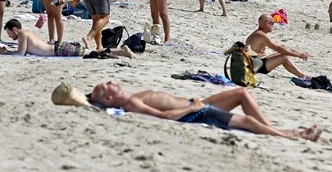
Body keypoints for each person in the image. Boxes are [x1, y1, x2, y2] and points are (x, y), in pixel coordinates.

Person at [89, 82, 322, 141]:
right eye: (106, 85)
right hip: (195, 111)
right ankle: (290, 135)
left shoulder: (131, 98)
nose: (112, 81)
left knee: (241, 93)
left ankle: (276, 130)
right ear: (109, 98)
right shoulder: (131, 104)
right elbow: (163, 116)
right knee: (248, 121)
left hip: (197, 104)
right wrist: (192, 107)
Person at [0, 19, 133, 58]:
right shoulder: (27, 33)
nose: (9, 36)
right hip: (58, 48)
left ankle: (121, 50)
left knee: (93, 53)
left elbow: (20, 53)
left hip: (59, 50)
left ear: (15, 29)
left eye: (9, 33)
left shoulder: (22, 34)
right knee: (90, 52)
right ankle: (121, 51)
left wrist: (6, 52)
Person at [245, 13, 311, 79]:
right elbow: (279, 48)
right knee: (284, 57)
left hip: (254, 62)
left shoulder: (256, 33)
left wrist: (299, 53)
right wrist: (298, 55)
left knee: (281, 54)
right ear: (267, 23)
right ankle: (302, 76)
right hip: (255, 66)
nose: (273, 26)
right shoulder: (261, 36)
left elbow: (281, 47)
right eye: (272, 23)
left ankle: (302, 75)